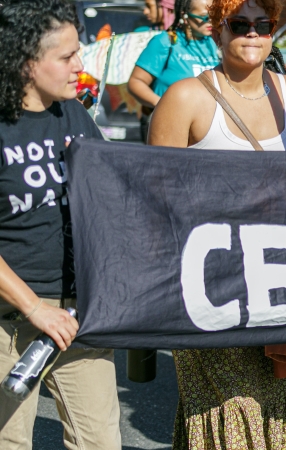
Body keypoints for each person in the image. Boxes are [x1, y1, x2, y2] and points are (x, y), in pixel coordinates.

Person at [148, 0, 286, 447]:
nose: (252, 34)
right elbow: (153, 197)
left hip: (279, 281)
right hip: (210, 286)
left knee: (271, 406)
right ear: (217, 32)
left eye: (263, 25)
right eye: (239, 24)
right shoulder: (186, 97)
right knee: (231, 410)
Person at [0, 1, 122, 449]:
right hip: (11, 318)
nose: (80, 65)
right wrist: (34, 307)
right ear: (28, 62)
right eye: (67, 56)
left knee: (101, 443)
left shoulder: (74, 114)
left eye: (80, 52)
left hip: (77, 316)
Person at [129, 0, 219, 140]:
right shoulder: (166, 41)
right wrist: (163, 105)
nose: (212, 22)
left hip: (207, 125)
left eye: (215, 16)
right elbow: (136, 82)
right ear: (185, 14)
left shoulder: (216, 42)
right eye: (205, 17)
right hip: (170, 124)